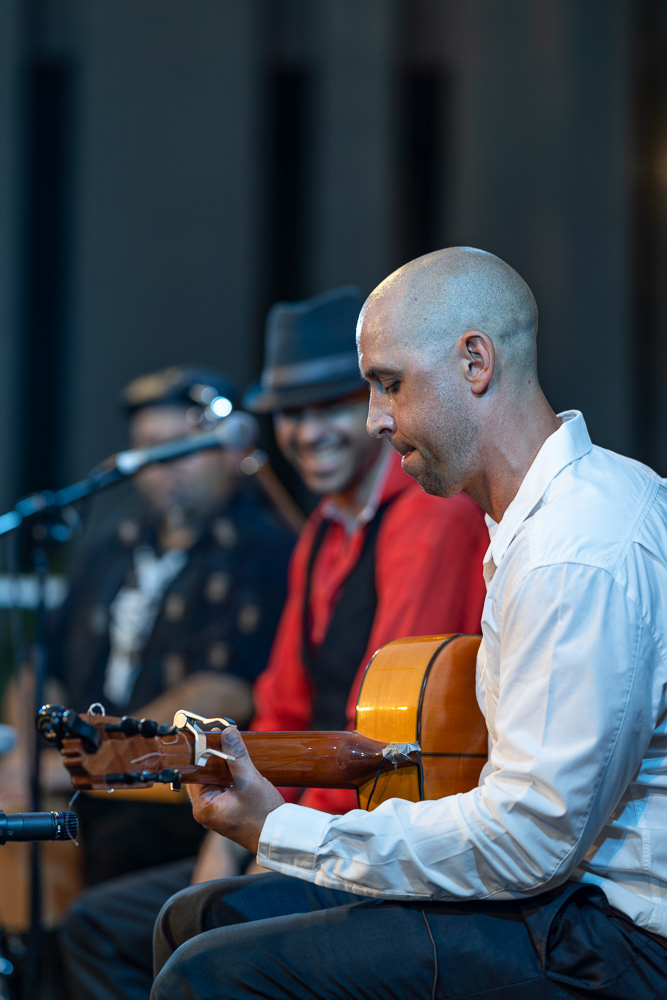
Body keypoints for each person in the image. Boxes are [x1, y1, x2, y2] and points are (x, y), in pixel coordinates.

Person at [150, 250, 667, 999]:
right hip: (558, 901)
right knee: (198, 917)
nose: (375, 419)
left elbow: (531, 839)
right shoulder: (549, 517)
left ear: (475, 363)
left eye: (389, 383)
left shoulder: (572, 550)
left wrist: (282, 831)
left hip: (615, 937)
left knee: (209, 974)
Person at [58, 285, 489, 1000]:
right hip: (313, 825)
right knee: (103, 924)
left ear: (375, 407)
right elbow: (282, 708)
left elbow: (385, 729)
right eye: (291, 413)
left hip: (388, 838)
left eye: (330, 407)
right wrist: (225, 846)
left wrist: (277, 841)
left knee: (197, 931)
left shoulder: (427, 514)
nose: (307, 432)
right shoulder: (321, 530)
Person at [0, 365, 295, 885]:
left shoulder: (264, 550)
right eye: (149, 449)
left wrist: (97, 759)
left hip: (173, 795)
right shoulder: (113, 543)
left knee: (116, 848)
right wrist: (25, 759)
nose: (165, 467)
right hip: (79, 778)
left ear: (231, 451)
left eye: (181, 447)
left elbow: (223, 692)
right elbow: (41, 664)